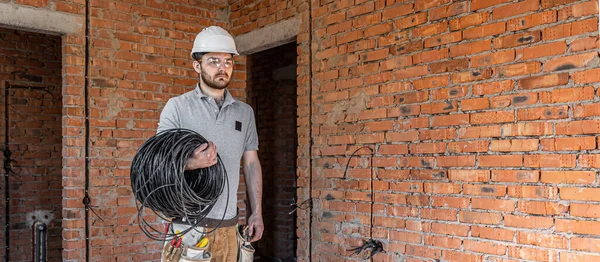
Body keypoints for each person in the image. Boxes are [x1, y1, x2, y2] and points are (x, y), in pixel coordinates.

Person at [157, 25, 264, 261]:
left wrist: (257, 212)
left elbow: (251, 164)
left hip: (229, 228)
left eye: (227, 62)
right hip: (187, 229)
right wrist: (191, 163)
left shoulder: (244, 113)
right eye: (213, 61)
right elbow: (158, 163)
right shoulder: (178, 107)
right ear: (197, 65)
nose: (222, 68)